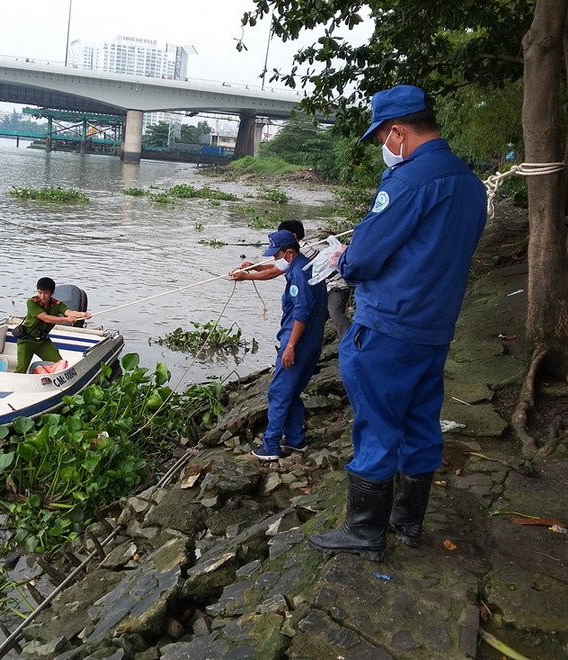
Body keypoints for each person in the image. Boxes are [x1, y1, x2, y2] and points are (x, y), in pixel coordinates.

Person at [307, 85, 487, 561]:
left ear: (399, 131)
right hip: (434, 328)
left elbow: (363, 257)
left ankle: (365, 532)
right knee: (421, 423)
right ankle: (406, 521)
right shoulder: (468, 183)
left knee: (377, 424)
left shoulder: (407, 182)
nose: (385, 147)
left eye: (384, 137)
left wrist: (342, 259)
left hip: (388, 326)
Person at [243, 229, 327, 460]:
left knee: (278, 393)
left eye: (277, 254)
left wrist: (289, 347)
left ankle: (270, 446)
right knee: (292, 392)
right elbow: (273, 270)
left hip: (298, 343)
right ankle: (295, 439)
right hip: (311, 342)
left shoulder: (299, 274)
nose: (275, 259)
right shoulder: (306, 266)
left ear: (289, 252)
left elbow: (302, 312)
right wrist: (252, 269)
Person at [231, 220, 353, 340]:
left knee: (335, 315)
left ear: (293, 236)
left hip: (335, 287)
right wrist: (254, 267)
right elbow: (277, 267)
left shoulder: (302, 249)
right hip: (321, 289)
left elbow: (274, 272)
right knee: (315, 320)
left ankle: (353, 344)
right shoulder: (292, 252)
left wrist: (246, 277)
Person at [14, 277, 91, 374]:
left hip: (42, 342)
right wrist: (66, 319)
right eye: (40, 292)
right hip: (27, 340)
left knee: (60, 365)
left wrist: (82, 315)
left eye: (46, 293)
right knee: (21, 369)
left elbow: (69, 312)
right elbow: (46, 318)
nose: (42, 296)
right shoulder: (32, 302)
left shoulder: (57, 304)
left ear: (52, 292)